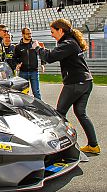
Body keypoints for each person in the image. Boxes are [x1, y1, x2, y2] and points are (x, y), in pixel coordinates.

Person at [33, 19, 100, 154]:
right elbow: (53, 55)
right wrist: (44, 51)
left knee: (59, 114)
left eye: (53, 32)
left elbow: (50, 57)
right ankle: (93, 145)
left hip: (76, 83)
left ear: (60, 30)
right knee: (81, 113)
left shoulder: (68, 43)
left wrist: (38, 48)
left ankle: (64, 149)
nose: (52, 35)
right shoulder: (70, 42)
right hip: (86, 82)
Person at [13, 27, 45, 100]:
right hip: (23, 73)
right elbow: (14, 58)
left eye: (30, 33)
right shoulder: (18, 47)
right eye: (27, 34)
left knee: (36, 92)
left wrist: (42, 64)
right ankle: (24, 109)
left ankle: (40, 109)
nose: (29, 35)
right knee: (23, 93)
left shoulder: (35, 44)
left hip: (34, 72)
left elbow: (41, 54)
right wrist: (17, 64)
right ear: (23, 34)